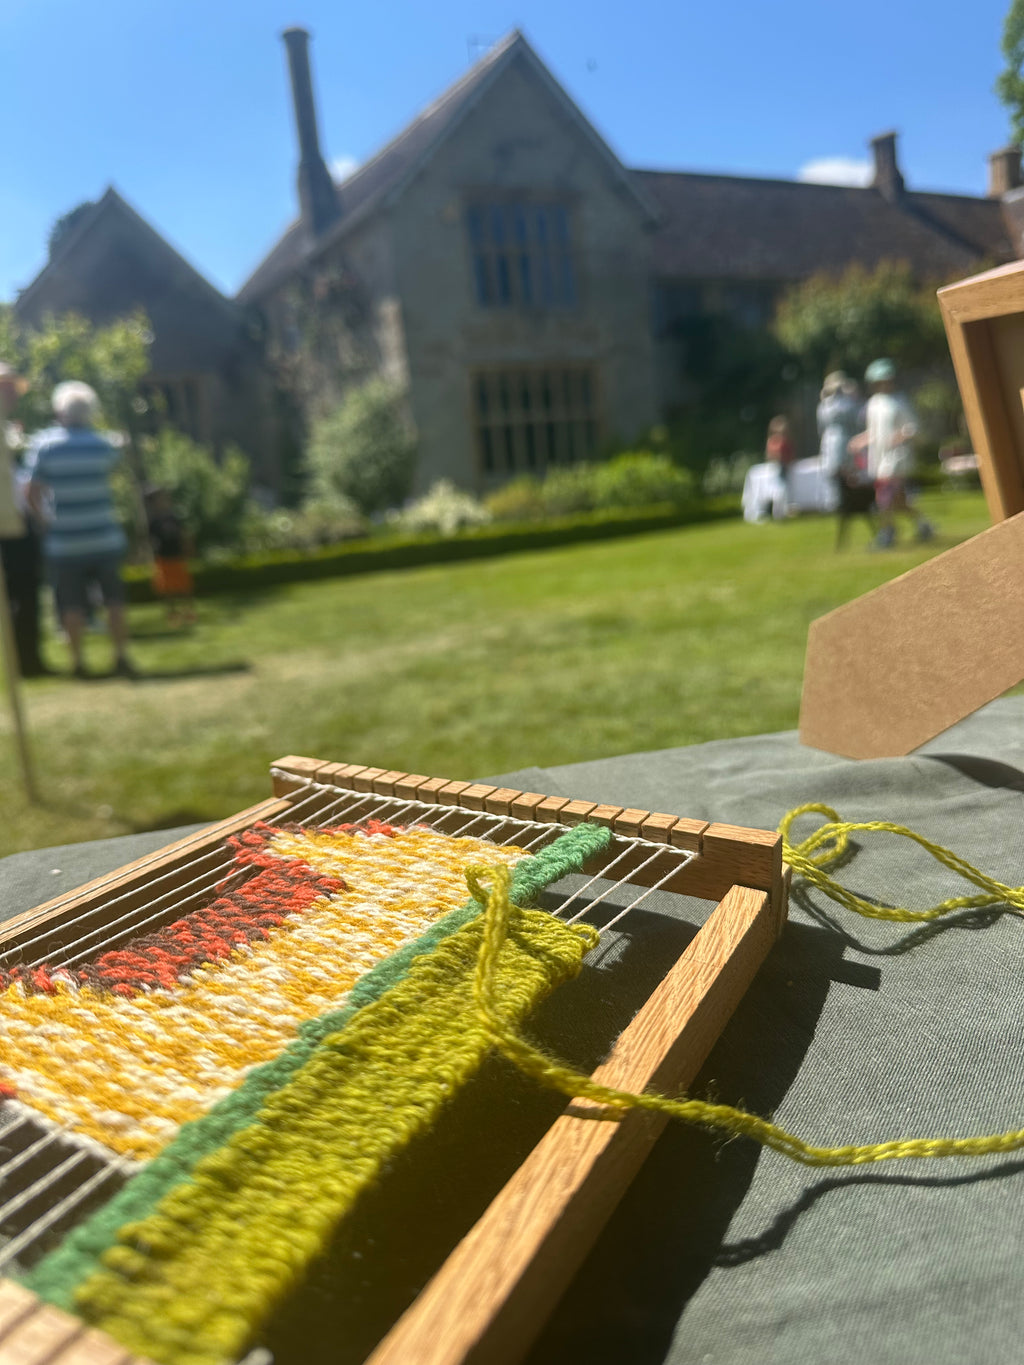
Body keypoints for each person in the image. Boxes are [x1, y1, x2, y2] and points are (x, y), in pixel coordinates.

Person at [24, 381, 136, 679]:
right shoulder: (103, 444)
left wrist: (44, 519)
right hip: (104, 535)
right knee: (114, 599)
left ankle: (77, 662)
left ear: (59, 410)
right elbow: (114, 465)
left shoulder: (46, 446)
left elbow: (31, 491)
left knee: (70, 603)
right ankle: (121, 656)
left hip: (64, 540)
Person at [0, 362, 48, 676]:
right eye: (6, 388)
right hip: (6, 524)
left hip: (15, 521)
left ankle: (27, 659)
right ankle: (22, 661)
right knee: (18, 594)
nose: (13, 394)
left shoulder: (7, 427)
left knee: (25, 593)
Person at [862, 358, 933, 548]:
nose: (885, 384)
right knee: (899, 501)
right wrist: (859, 440)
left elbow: (914, 428)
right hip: (880, 457)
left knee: (884, 498)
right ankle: (924, 525)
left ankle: (887, 535)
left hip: (898, 458)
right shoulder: (873, 404)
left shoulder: (900, 401)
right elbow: (874, 432)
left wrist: (902, 435)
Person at [817, 372, 874, 550]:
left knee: (843, 488)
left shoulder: (823, 407)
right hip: (846, 448)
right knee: (852, 485)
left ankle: (845, 510)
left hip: (829, 449)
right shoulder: (848, 405)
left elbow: (821, 430)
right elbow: (859, 423)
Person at [146, 486, 196, 626]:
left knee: (185, 586)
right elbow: (151, 542)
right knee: (167, 589)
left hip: (177, 556)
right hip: (163, 558)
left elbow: (184, 535)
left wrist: (188, 549)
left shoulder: (174, 517)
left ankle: (189, 612)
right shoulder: (153, 522)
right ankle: (172, 614)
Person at [764, 414, 795, 519]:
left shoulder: (784, 440)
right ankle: (778, 513)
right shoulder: (773, 441)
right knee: (779, 491)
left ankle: (782, 511)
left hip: (783, 467)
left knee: (782, 491)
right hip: (778, 467)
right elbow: (772, 455)